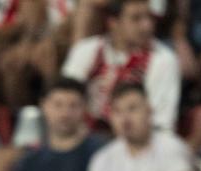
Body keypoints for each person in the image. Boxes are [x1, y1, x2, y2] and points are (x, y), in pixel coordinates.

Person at [62, 0, 180, 130]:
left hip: (136, 140)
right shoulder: (86, 50)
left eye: (150, 18)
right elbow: (64, 96)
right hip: (85, 137)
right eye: (136, 19)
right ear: (113, 23)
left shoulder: (162, 59)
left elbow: (161, 121)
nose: (147, 26)